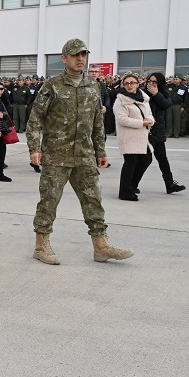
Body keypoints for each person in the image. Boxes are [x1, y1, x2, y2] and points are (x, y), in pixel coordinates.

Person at [26, 39, 133, 265]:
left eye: (83, 54)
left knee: (93, 199)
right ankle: (41, 245)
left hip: (84, 155)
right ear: (64, 58)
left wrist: (100, 150)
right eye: (75, 55)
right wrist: (35, 148)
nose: (80, 59)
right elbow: (35, 119)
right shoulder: (52, 85)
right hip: (56, 155)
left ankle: (101, 246)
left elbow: (97, 122)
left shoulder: (93, 85)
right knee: (49, 201)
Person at [112, 74, 154, 201]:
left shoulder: (143, 98)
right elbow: (122, 119)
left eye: (132, 83)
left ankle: (131, 185)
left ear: (138, 84)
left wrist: (150, 120)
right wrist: (141, 123)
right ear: (123, 85)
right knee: (130, 163)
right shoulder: (120, 100)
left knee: (147, 159)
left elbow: (149, 113)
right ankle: (125, 192)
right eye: (126, 83)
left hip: (141, 136)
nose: (129, 86)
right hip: (129, 136)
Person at [144, 73, 186, 194]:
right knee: (141, 160)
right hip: (143, 129)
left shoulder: (164, 93)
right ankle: (132, 184)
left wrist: (156, 94)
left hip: (157, 130)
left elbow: (166, 105)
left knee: (162, 159)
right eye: (150, 81)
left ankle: (170, 183)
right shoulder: (142, 92)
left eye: (155, 82)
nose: (151, 84)